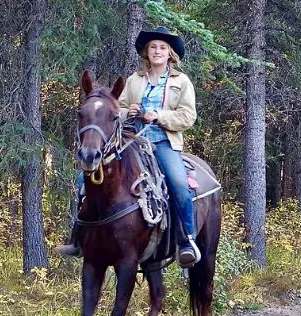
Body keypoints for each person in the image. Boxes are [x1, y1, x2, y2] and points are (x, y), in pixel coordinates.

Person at [55, 26, 201, 269]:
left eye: (162, 48)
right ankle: (78, 238)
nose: (157, 51)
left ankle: (186, 240)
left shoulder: (180, 82)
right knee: (85, 180)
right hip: (132, 141)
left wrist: (159, 115)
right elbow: (114, 110)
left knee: (179, 184)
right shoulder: (134, 80)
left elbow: (188, 116)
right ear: (146, 52)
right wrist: (127, 112)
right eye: (153, 47)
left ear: (170, 54)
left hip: (164, 142)